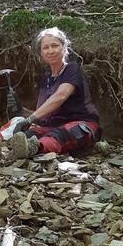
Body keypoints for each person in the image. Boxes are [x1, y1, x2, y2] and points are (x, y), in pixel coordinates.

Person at [10, 27, 101, 159]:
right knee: (29, 134)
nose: (50, 51)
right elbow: (43, 114)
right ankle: (29, 146)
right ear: (41, 53)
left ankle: (35, 148)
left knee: (59, 134)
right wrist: (20, 111)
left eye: (55, 46)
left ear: (64, 48)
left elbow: (60, 96)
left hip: (82, 124)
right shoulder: (46, 79)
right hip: (52, 126)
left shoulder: (72, 69)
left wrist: (30, 119)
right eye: (45, 48)